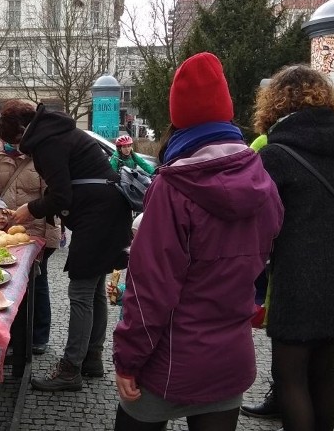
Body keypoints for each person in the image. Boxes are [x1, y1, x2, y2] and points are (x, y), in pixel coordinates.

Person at [110, 52, 284, 431]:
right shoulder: (264, 182)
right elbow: (262, 267)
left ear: (178, 118)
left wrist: (128, 358)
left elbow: (148, 290)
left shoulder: (173, 188)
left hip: (170, 361)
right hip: (230, 358)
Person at [246, 64, 334, 431]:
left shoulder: (275, 154)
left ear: (276, 104)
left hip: (299, 277)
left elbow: (258, 221)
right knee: (322, 373)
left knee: (289, 375)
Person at [10, 103, 132, 392]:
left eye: (14, 142)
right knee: (94, 288)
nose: (18, 148)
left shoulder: (46, 142)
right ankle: (91, 358)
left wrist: (30, 208)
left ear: (21, 132)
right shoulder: (59, 131)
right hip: (111, 211)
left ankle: (70, 369)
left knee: (79, 292)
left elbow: (62, 196)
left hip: (98, 217)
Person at [0, 99, 60, 355]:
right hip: (4, 235)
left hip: (37, 230)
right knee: (7, 284)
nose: (15, 144)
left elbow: (53, 198)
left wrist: (31, 218)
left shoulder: (43, 154)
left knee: (37, 284)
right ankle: (13, 334)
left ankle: (38, 336)